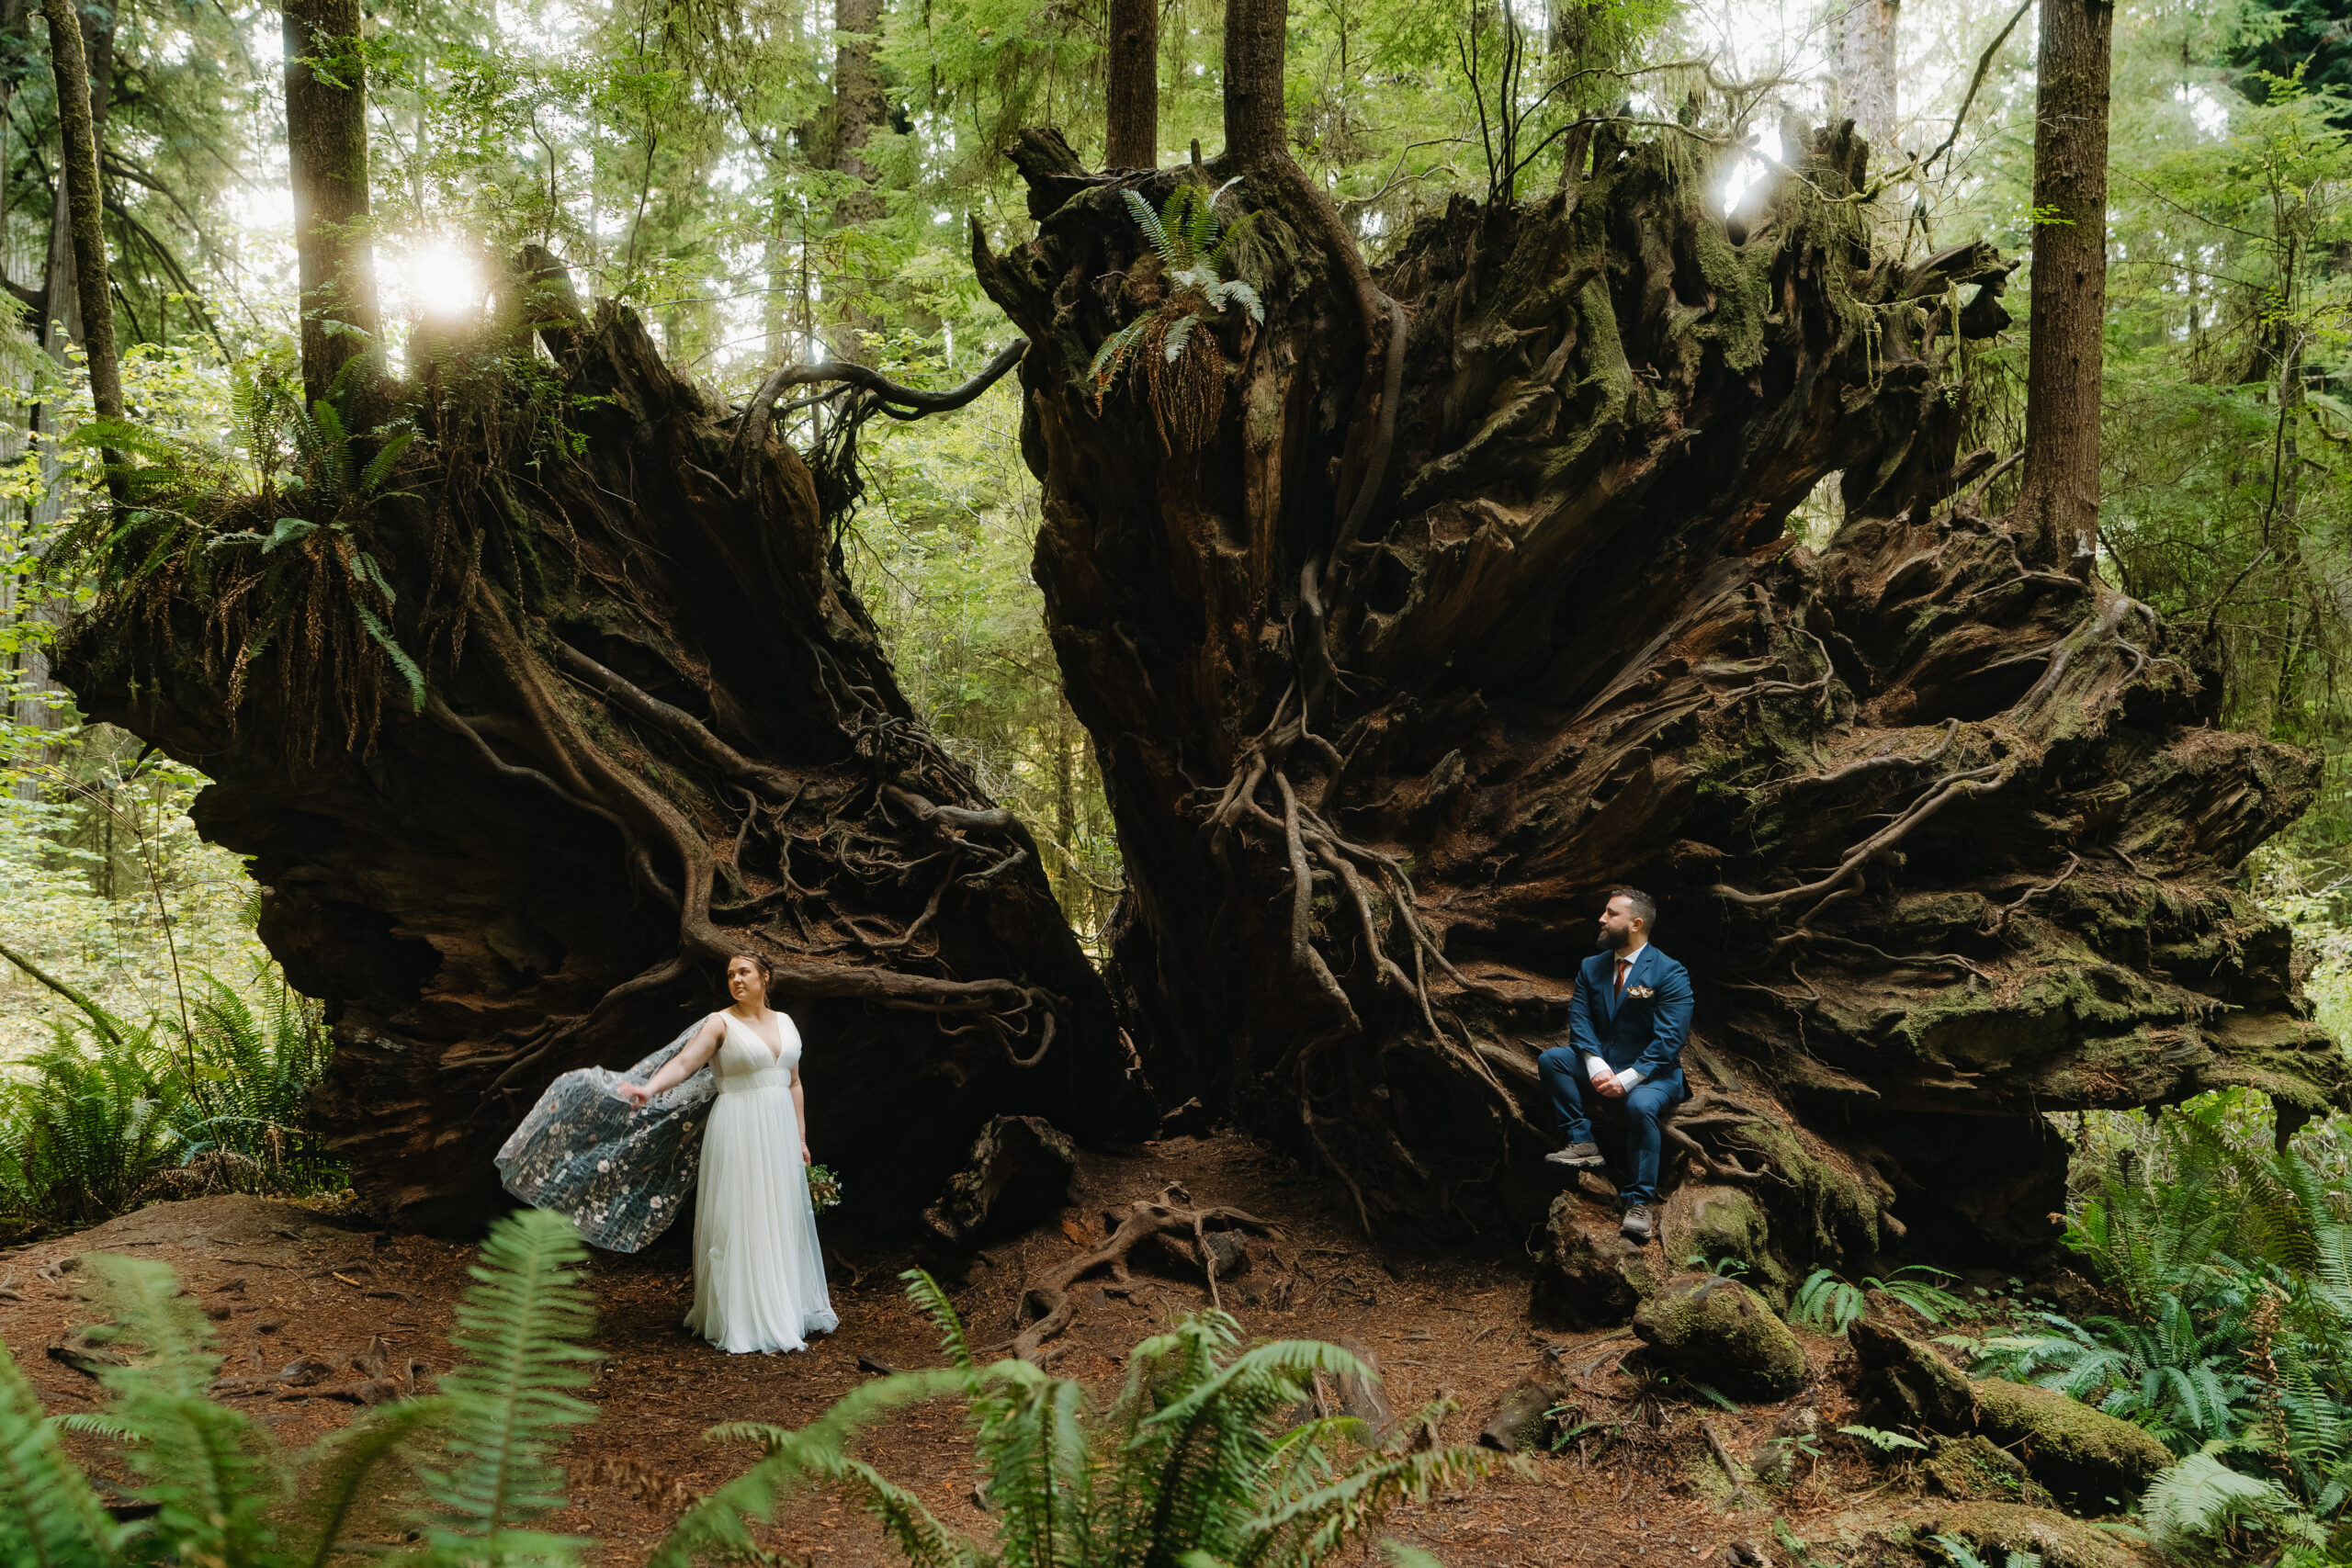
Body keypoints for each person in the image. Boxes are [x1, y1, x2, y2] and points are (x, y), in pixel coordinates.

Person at [607, 953, 837, 1353]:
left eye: (744, 972)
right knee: (742, 1215)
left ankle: (783, 1307)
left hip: (780, 1132)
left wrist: (800, 1137)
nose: (736, 980)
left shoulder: (786, 1022)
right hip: (739, 1127)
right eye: (730, 974)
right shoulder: (720, 1022)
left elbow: (794, 1082)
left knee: (778, 1215)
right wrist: (649, 1089)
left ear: (765, 977)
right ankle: (743, 1316)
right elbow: (684, 1063)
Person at [1536, 888, 1693, 1245]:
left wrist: (1628, 1078)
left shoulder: (1670, 972)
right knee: (1552, 1061)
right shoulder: (1592, 967)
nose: (1601, 919)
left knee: (1640, 1106)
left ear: (1636, 924)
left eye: (1611, 914)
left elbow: (1671, 1039)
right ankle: (1582, 1141)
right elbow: (1580, 1020)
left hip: (1655, 1073)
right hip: (1602, 1064)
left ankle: (1639, 1204)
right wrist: (1594, 1065)